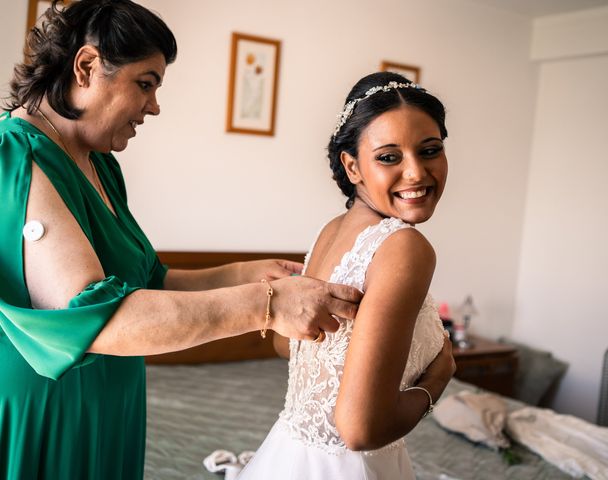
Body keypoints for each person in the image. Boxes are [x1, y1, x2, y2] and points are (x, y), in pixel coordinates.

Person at [0, 1, 362, 479]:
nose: (154, 106)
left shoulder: (99, 163)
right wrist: (265, 305)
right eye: (145, 84)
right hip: (52, 416)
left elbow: (149, 281)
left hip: (112, 406)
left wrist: (244, 273)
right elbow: (101, 322)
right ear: (86, 67)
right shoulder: (16, 158)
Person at [236, 71, 457, 480]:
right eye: (389, 157)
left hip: (288, 453)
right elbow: (360, 430)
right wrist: (439, 378)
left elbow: (287, 344)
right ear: (352, 166)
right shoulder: (405, 247)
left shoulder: (331, 232)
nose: (416, 173)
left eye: (430, 150)